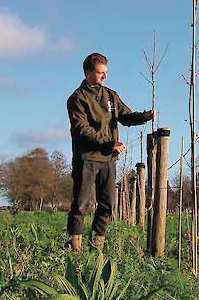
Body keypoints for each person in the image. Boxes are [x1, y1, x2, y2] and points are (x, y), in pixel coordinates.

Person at [66, 52, 153, 251]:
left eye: (105, 72)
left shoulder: (110, 95)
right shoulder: (77, 99)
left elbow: (125, 116)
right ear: (88, 72)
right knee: (81, 204)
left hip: (108, 159)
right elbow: (82, 130)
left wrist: (144, 117)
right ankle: (74, 246)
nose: (104, 76)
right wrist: (109, 143)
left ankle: (97, 243)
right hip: (87, 157)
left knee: (107, 203)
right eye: (100, 72)